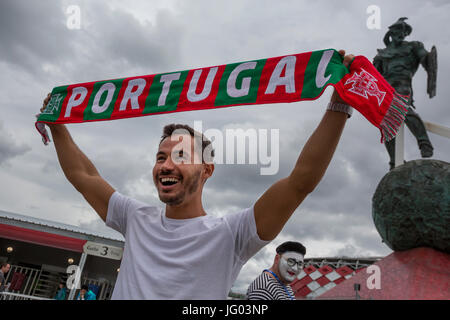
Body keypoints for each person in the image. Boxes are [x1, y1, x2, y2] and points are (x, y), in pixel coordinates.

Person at [40, 51, 354, 299]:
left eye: (180, 156)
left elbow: (301, 181)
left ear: (206, 170)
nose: (165, 165)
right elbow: (82, 174)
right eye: (160, 157)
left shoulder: (232, 234)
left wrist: (340, 105)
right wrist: (57, 124)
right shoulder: (134, 217)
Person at [373, 17, 436, 169]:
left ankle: (424, 144)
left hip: (403, 85)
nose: (401, 34)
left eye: (404, 31)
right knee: (387, 123)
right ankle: (394, 161)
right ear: (392, 32)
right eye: (398, 30)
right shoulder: (382, 54)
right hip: (386, 89)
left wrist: (430, 59)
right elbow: (374, 76)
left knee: (404, 111)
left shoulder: (412, 47)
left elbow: (426, 59)